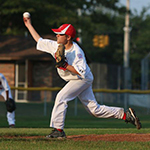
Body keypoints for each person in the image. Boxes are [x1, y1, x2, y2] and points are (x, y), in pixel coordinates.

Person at [23, 15, 141, 138]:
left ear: (68, 37)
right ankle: (125, 115)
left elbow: (81, 72)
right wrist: (29, 25)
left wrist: (65, 65)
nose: (57, 35)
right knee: (94, 110)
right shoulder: (56, 46)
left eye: (60, 34)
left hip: (81, 79)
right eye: (57, 33)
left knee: (61, 97)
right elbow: (39, 40)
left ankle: (58, 130)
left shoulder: (77, 53)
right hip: (77, 78)